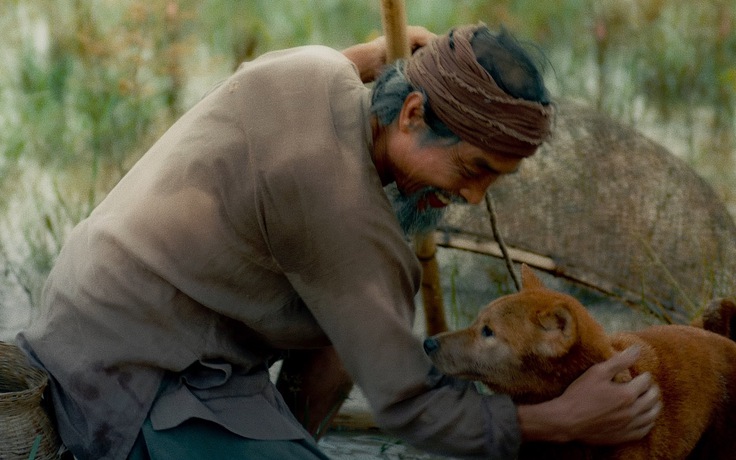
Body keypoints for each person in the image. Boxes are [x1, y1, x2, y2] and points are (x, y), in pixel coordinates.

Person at [17, 24, 661, 459]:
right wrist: (563, 420)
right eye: (472, 169)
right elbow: (413, 408)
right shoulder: (351, 228)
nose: (472, 198)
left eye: (496, 178)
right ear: (411, 115)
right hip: (127, 378)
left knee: (341, 339)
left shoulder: (313, 69)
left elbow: (367, 61)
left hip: (87, 306)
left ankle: (283, 436)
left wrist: (390, 55)